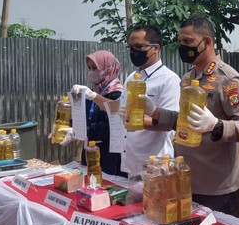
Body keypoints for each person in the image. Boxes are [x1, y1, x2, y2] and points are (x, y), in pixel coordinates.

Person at [144, 16, 239, 217]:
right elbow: (183, 122)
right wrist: (155, 111)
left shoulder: (228, 80)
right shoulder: (188, 79)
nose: (183, 47)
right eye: (181, 41)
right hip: (186, 179)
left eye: (188, 42)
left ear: (207, 42)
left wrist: (216, 125)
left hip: (216, 186)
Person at [72, 25, 180, 176]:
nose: (133, 51)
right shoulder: (132, 77)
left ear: (155, 48)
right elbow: (117, 107)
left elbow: (169, 124)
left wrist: (134, 120)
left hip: (156, 163)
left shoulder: (169, 79)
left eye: (139, 46)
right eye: (130, 47)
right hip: (131, 161)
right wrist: (92, 96)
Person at [59, 50, 125, 176]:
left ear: (108, 69)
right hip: (90, 153)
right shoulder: (91, 94)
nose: (91, 72)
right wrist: (68, 125)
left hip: (110, 158)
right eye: (89, 68)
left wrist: (83, 131)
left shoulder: (117, 95)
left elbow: (110, 128)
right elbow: (84, 120)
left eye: (95, 68)